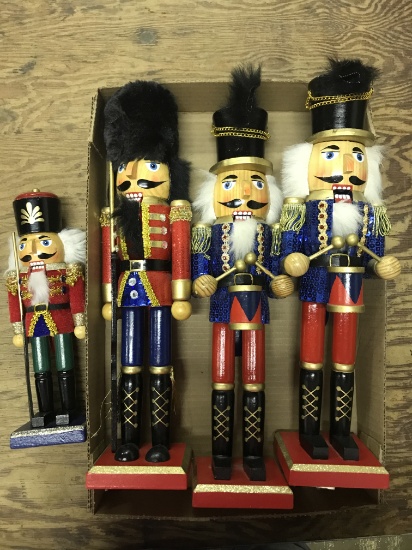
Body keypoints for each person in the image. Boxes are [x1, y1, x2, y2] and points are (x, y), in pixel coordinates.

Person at [279, 59, 401, 460]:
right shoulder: (301, 208)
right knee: (313, 354)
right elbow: (288, 246)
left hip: (350, 283)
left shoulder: (370, 211)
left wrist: (380, 265)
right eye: (332, 154)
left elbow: (374, 253)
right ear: (308, 161)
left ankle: (342, 431)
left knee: (345, 358)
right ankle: (309, 430)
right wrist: (292, 261)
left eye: (357, 155)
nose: (347, 168)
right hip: (315, 282)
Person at [191, 65, 293, 481]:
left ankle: (252, 454)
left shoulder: (270, 234)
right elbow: (200, 264)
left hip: (254, 308)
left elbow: (278, 269)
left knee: (254, 379)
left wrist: (280, 282)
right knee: (221, 379)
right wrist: (200, 278)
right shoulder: (207, 232)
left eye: (256, 183)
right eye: (232, 182)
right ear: (213, 191)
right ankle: (219, 454)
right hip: (221, 307)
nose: (246, 194)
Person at [101, 80, 192, 463]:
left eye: (151, 166)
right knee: (129, 365)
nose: (135, 177)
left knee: (159, 364)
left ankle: (159, 440)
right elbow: (108, 260)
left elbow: (181, 254)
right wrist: (108, 297)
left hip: (161, 288)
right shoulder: (113, 215)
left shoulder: (174, 211)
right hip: (127, 289)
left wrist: (182, 294)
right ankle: (127, 438)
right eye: (126, 168)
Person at [6, 189, 85, 429]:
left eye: (45, 242)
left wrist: (79, 321)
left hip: (61, 319)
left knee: (64, 362)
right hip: (33, 323)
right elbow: (14, 303)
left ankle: (69, 408)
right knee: (40, 366)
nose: (33, 250)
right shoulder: (17, 276)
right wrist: (17, 329)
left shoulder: (67, 270)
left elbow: (76, 296)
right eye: (25, 244)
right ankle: (45, 409)